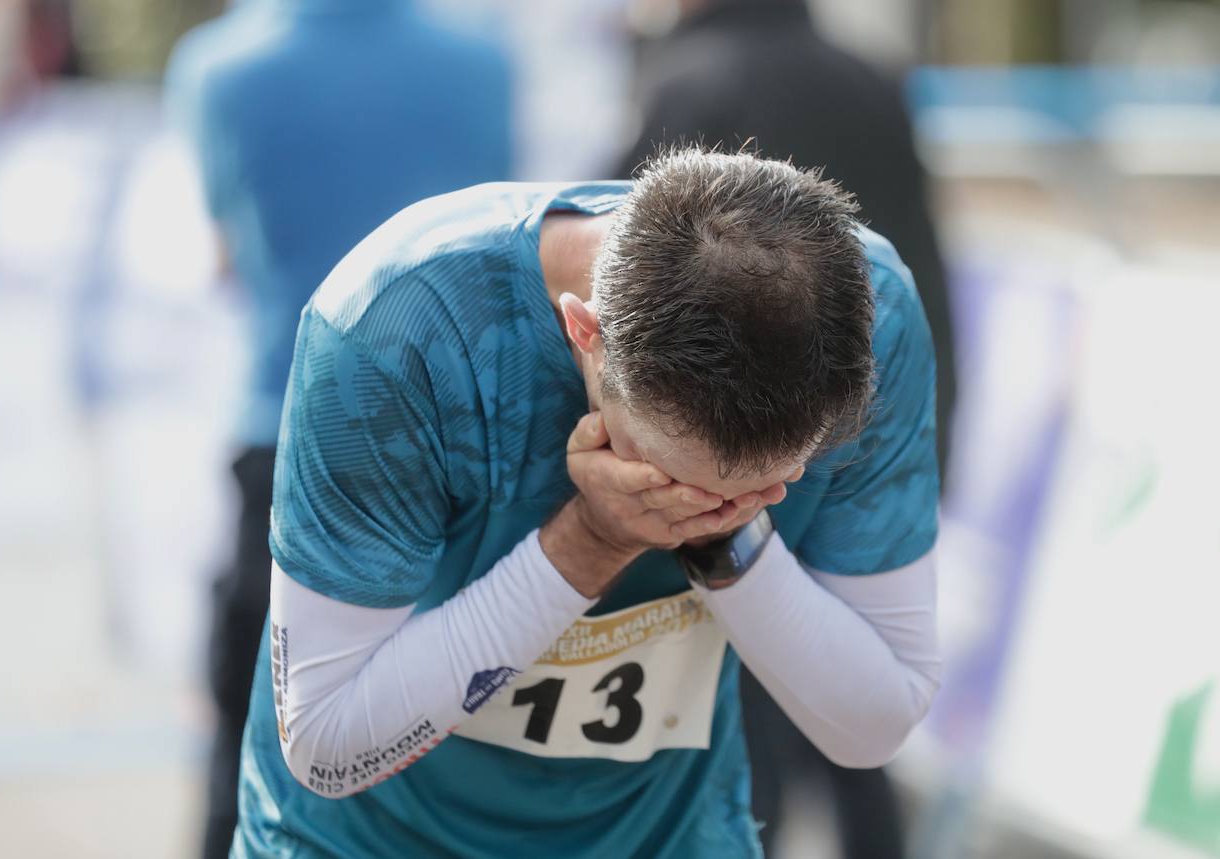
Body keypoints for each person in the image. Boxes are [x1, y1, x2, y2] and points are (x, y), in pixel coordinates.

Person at [233, 147, 942, 858]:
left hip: (670, 835)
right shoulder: (396, 326)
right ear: (586, 334)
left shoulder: (877, 318)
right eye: (673, 480)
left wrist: (727, 543)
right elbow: (325, 746)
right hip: (365, 840)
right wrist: (590, 542)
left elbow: (872, 725)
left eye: (766, 487)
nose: (710, 507)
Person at [163, 3, 512, 857]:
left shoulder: (218, 65)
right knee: (457, 749)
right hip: (456, 437)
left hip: (285, 423)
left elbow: (228, 252)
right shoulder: (484, 60)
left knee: (252, 755)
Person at [616, 3, 956, 854]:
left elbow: (627, 264)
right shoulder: (872, 75)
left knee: (743, 703)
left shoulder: (687, 80)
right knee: (851, 693)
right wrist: (935, 424)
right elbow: (929, 259)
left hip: (731, 434)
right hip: (877, 416)